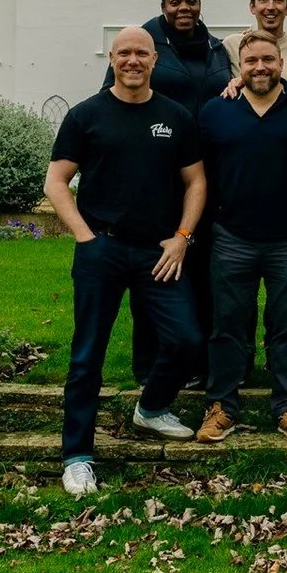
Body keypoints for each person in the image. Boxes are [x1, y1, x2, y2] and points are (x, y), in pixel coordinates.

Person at [45, 25, 207, 498]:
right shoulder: (86, 115)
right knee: (87, 355)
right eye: (123, 53)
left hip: (160, 251)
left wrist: (181, 238)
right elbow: (56, 182)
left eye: (141, 53)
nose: (133, 60)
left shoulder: (175, 117)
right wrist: (85, 237)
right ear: (111, 59)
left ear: (155, 59)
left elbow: (195, 182)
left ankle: (152, 407)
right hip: (103, 249)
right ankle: (77, 456)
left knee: (188, 339)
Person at [195, 29, 287, 447]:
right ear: (241, 65)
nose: (260, 67)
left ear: (281, 63)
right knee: (227, 325)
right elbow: (195, 173)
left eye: (268, 60)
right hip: (232, 235)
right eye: (251, 60)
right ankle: (222, 405)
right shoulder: (216, 112)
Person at [103, 0, 230, 385]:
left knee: (205, 271)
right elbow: (114, 105)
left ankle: (205, 363)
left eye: (191, 1)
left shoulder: (216, 49)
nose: (183, 9)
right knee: (158, 270)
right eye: (175, 2)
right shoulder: (143, 44)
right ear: (162, 5)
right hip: (157, 176)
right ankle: (151, 364)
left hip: (206, 175)